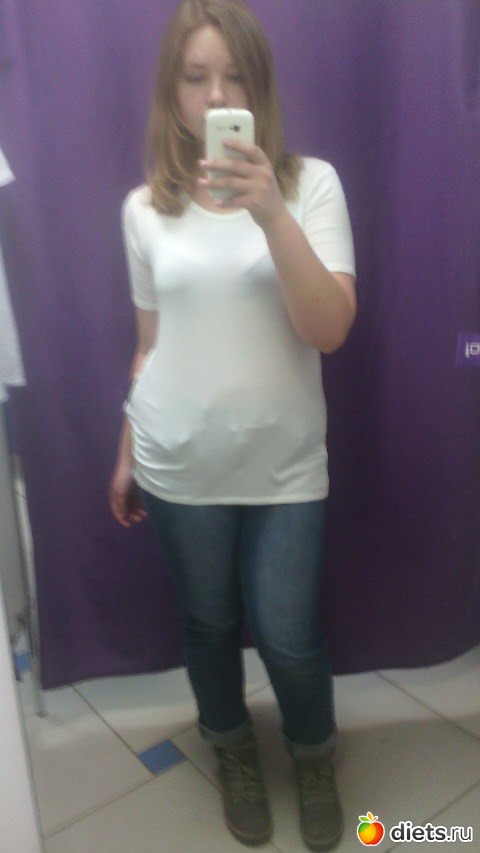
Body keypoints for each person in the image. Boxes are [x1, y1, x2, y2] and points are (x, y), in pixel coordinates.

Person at [109, 0, 356, 848]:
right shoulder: (144, 209)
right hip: (177, 461)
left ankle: (313, 753)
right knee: (209, 625)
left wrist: (271, 214)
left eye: (235, 76)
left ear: (260, 88)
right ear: (172, 91)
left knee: (289, 635)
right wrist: (125, 448)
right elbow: (149, 345)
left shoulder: (311, 185)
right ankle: (233, 748)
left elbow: (329, 328)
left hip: (286, 464)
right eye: (196, 76)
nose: (216, 95)